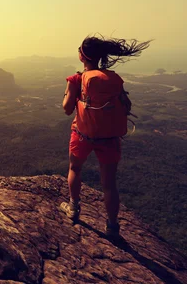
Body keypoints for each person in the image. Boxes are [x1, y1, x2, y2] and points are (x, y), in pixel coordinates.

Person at [59, 35, 151, 238]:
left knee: (75, 168)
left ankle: (73, 208)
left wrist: (69, 96)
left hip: (82, 135)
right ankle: (112, 226)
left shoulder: (76, 79)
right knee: (109, 184)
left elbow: (66, 109)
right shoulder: (113, 79)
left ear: (82, 56)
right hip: (109, 138)